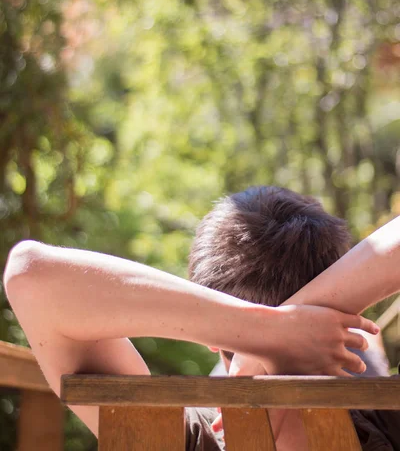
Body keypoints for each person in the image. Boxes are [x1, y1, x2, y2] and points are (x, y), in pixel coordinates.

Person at [3, 186, 399, 450]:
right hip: (356, 371)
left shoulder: (184, 440)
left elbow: (28, 275)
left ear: (212, 336)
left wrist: (264, 335)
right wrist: (318, 310)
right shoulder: (388, 420)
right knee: (372, 355)